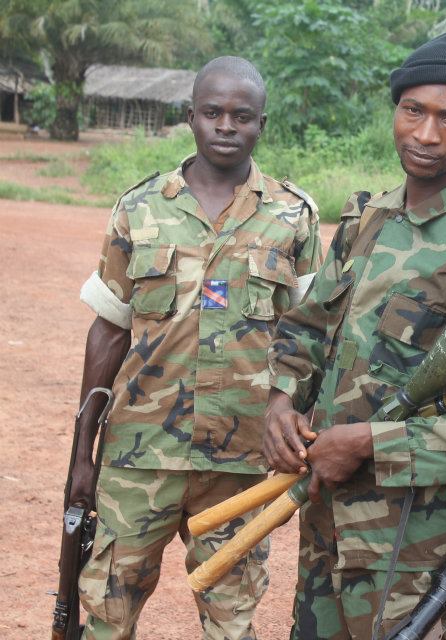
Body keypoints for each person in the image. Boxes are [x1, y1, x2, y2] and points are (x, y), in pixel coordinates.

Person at [264, 30, 446, 640]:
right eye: (412, 110)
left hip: (414, 549)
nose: (425, 134)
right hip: (327, 523)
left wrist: (369, 443)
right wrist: (282, 398)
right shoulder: (365, 220)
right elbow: (311, 325)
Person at [69, 56, 321, 639]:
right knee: (107, 615)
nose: (226, 126)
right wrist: (83, 454)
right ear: (190, 117)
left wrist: (304, 424)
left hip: (244, 461)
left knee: (233, 622)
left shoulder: (293, 216)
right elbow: (108, 331)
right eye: (212, 113)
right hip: (140, 456)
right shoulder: (140, 207)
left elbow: (313, 334)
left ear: (262, 123)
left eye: (242, 115)